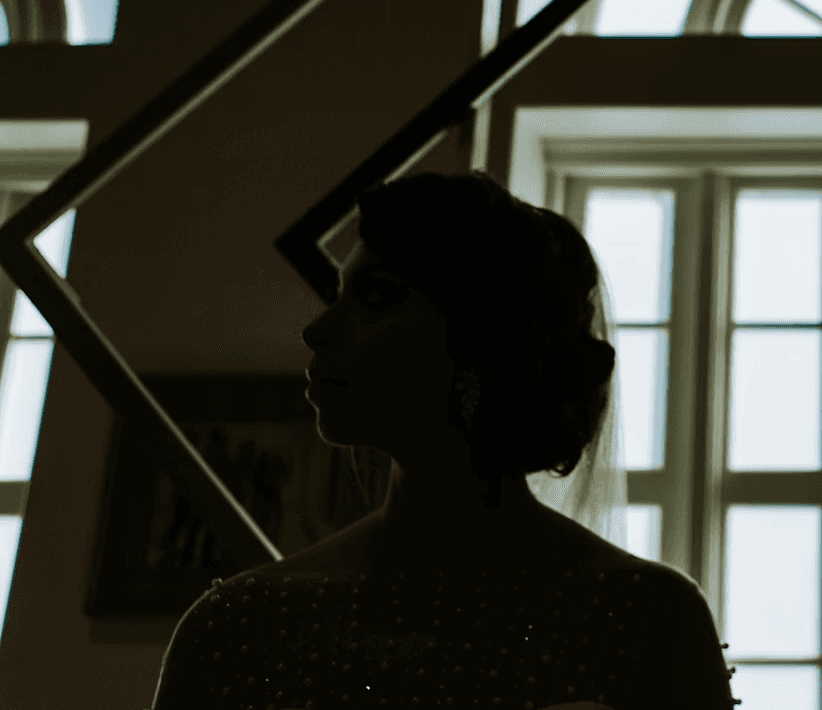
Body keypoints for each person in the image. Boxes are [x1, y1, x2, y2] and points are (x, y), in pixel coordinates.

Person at [151, 171, 734, 710]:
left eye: (376, 297)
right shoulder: (238, 626)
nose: (318, 328)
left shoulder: (646, 618)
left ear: (481, 336)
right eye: (337, 295)